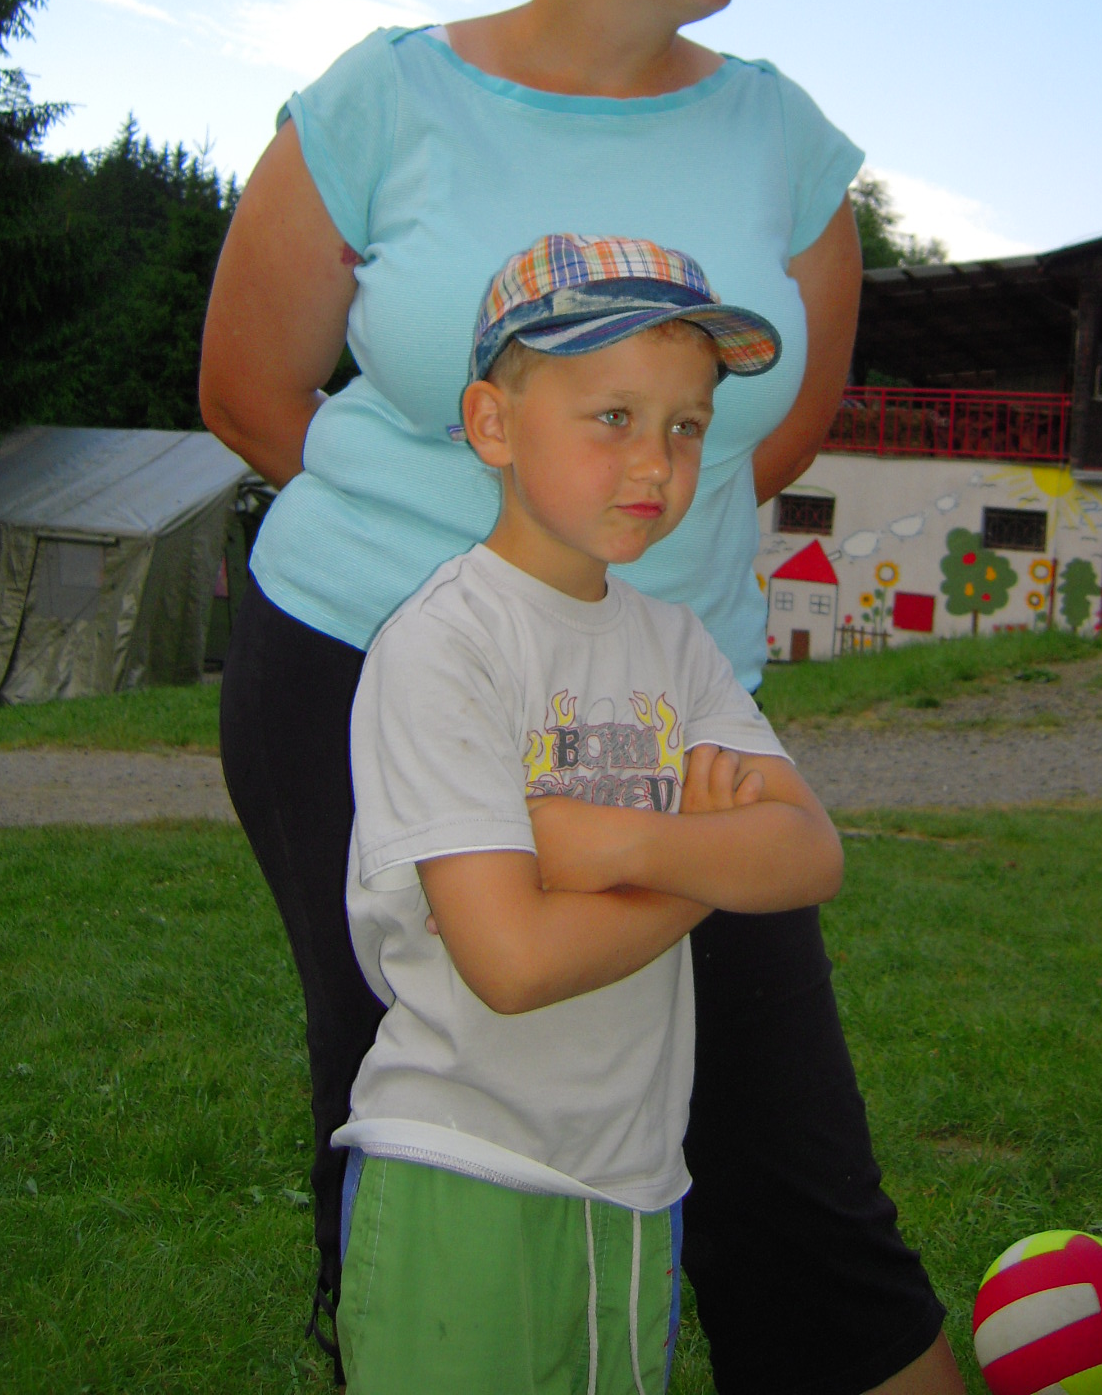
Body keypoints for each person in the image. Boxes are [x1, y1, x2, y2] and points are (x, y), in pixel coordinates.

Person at [200, 0, 958, 1395]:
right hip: (358, 663)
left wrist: (600, 589)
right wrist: (479, 572)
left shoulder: (785, 139)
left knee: (784, 1147)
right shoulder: (384, 96)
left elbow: (776, 431)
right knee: (434, 1097)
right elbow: (249, 389)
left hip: (665, 686)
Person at [334, 232, 845, 1391]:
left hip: (633, 1182)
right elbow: (512, 959)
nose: (656, 460)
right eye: (613, 415)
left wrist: (616, 841)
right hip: (459, 1167)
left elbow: (810, 850)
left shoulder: (677, 645)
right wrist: (707, 864)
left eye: (686, 424)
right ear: (493, 424)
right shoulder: (445, 645)